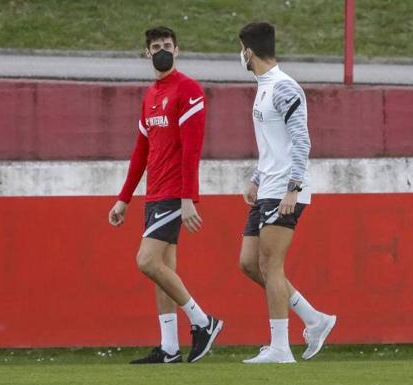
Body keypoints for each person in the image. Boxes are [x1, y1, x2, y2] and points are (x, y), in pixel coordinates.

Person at [108, 26, 223, 364]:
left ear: (178, 50)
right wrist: (124, 198)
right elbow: (140, 152)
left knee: (146, 261)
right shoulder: (150, 95)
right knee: (163, 270)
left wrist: (188, 198)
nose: (162, 50)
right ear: (147, 53)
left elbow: (192, 148)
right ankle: (170, 348)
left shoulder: (188, 90)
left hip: (174, 193)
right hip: (153, 194)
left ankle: (204, 321)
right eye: (156, 46)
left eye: (167, 45)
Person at [237, 22, 336, 364]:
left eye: (240, 50)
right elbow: (272, 144)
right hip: (268, 186)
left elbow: (301, 141)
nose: (240, 57)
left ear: (248, 51)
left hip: (285, 190)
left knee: (270, 264)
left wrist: (293, 188)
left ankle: (280, 348)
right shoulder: (263, 86)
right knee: (250, 264)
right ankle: (314, 319)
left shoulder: (283, 87)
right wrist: (255, 178)